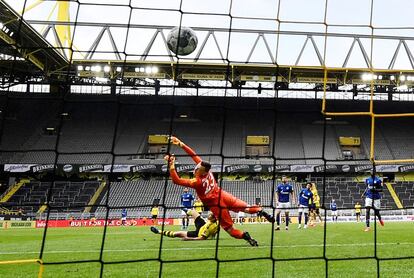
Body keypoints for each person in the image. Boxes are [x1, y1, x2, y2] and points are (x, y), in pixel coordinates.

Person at [165, 136, 274, 246]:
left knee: (230, 230)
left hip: (217, 205)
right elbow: (194, 155)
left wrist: (172, 165)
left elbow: (176, 180)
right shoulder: (207, 172)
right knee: (246, 208)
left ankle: (247, 237)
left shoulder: (196, 182)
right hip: (224, 195)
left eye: (197, 168)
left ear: (200, 171)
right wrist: (181, 144)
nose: (196, 167)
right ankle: (260, 210)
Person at [150, 209, 219, 241]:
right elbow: (217, 229)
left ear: (213, 219)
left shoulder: (209, 227)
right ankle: (187, 211)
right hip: (202, 225)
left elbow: (202, 238)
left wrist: (189, 239)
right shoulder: (216, 222)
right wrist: (213, 235)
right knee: (194, 212)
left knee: (177, 234)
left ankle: (158, 231)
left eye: (211, 215)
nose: (209, 214)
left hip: (197, 233)